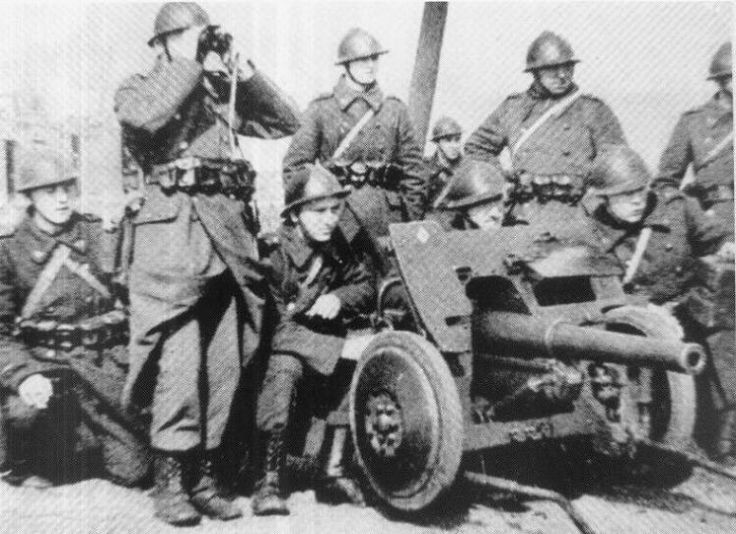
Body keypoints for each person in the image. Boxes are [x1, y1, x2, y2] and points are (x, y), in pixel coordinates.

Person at [114, 2, 300, 526]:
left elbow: (285, 121)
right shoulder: (138, 87)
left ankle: (204, 479)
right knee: (179, 364)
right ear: (164, 43)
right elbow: (145, 116)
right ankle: (169, 482)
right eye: (189, 36)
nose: (201, 43)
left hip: (226, 241)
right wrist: (191, 62)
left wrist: (245, 71)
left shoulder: (219, 91)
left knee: (224, 364)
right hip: (172, 244)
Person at [0, 148, 150, 489]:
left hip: (102, 365)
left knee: (135, 470)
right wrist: (24, 375)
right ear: (29, 196)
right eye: (49, 191)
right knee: (25, 412)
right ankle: (23, 460)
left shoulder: (97, 233)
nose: (62, 198)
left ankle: (88, 442)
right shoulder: (9, 248)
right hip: (47, 364)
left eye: (67, 188)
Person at [252, 164, 375, 516]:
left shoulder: (336, 246)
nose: (330, 219)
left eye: (335, 209)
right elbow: (275, 329)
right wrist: (339, 348)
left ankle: (331, 471)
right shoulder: (274, 255)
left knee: (355, 364)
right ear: (295, 215)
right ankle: (267, 480)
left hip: (318, 342)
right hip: (278, 349)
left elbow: (364, 284)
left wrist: (339, 298)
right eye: (319, 211)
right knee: (285, 370)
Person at [282, 27, 428, 279]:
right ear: (346, 64)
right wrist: (319, 215)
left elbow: (415, 173)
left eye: (374, 58)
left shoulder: (394, 110)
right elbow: (295, 169)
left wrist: (409, 225)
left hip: (387, 219)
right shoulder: (321, 110)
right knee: (345, 283)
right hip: (339, 218)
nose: (370, 65)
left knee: (391, 286)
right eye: (362, 59)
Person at [465, 31, 626, 222]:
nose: (562, 75)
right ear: (536, 72)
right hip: (525, 217)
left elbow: (616, 161)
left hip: (578, 216)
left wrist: (591, 196)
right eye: (552, 69)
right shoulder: (513, 108)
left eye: (567, 67)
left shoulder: (593, 109)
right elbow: (476, 148)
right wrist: (504, 181)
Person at [656, 42, 733, 238]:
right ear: (723, 80)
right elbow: (665, 182)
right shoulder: (694, 121)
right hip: (717, 222)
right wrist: (694, 215)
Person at [431, 159, 510, 231]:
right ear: (463, 209)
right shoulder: (440, 235)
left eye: (501, 203)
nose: (496, 213)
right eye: (485, 204)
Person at [425, 116, 464, 210]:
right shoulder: (426, 169)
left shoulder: (467, 167)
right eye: (448, 140)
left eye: (457, 139)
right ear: (437, 142)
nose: (454, 146)